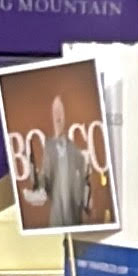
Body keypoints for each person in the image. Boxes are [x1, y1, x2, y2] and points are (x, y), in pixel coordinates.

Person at [40, 92, 93, 231]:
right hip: (56, 221)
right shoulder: (48, 148)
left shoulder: (77, 154)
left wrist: (87, 200)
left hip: (74, 220)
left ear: (65, 116)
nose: (58, 116)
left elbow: (84, 191)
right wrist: (37, 186)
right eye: (55, 111)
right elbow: (43, 181)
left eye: (60, 111)